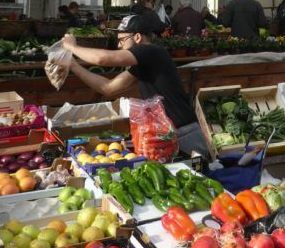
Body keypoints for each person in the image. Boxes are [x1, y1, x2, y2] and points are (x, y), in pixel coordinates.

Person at [60, 15, 209, 159]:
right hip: (166, 137)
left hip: (184, 136)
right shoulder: (144, 63)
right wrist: (73, 65)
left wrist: (72, 46)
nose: (119, 45)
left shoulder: (150, 51)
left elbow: (102, 59)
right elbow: (108, 88)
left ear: (137, 37)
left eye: (122, 40)